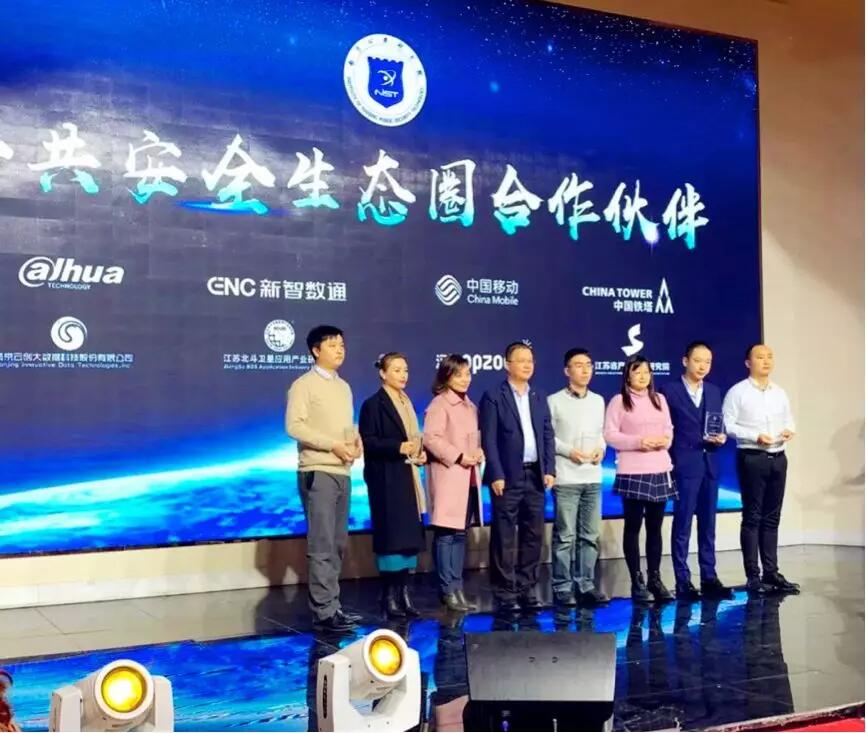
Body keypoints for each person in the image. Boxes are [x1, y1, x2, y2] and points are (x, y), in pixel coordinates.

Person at [285, 325, 363, 632]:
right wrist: (332, 446)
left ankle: (334, 606)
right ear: (316, 351)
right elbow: (294, 426)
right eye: (332, 345)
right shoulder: (303, 385)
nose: (340, 350)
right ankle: (323, 611)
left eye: (342, 344)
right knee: (322, 543)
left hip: (343, 470)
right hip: (317, 470)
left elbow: (346, 426)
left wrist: (355, 442)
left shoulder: (344, 387)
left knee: (338, 543)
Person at [480, 341, 556, 613]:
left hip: (535, 474)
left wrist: (549, 469)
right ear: (507, 364)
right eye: (521, 360)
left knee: (533, 534)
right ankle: (504, 590)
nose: (527, 365)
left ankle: (527, 588)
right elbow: (489, 438)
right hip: (507, 476)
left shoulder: (538, 395)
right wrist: (496, 473)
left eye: (530, 360)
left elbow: (547, 434)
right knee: (504, 535)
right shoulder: (494, 396)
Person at [722, 344, 799, 595]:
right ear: (748, 362)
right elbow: (728, 425)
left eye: (769, 357)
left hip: (778, 457)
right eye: (760, 357)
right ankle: (753, 576)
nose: (766, 361)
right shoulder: (738, 392)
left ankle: (771, 572)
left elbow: (789, 419)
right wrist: (755, 435)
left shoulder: (779, 392)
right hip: (752, 457)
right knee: (753, 516)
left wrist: (789, 430)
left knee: (772, 517)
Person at [659, 341, 733, 601]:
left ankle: (709, 577)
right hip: (684, 463)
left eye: (708, 362)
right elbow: (666, 428)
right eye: (698, 360)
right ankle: (683, 580)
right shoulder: (669, 391)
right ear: (685, 361)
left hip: (710, 462)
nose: (703, 366)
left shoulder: (713, 391)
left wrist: (721, 436)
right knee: (683, 523)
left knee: (708, 524)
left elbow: (717, 423)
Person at [359, 352, 428, 619]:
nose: (403, 375)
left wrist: (420, 453)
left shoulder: (407, 402)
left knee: (409, 539)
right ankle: (388, 596)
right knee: (391, 539)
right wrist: (398, 447)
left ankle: (404, 594)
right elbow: (369, 441)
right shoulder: (373, 405)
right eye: (397, 370)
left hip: (408, 476)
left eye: (405, 370)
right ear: (383, 373)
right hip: (386, 479)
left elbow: (414, 439)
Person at [604, 355, 677, 603]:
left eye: (647, 372)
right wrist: (638, 442)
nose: (643, 376)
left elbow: (668, 429)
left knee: (655, 527)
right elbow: (610, 435)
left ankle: (655, 578)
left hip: (659, 468)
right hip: (633, 470)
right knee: (633, 526)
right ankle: (637, 581)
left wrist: (665, 440)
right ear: (627, 375)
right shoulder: (619, 401)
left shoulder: (659, 399)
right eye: (637, 372)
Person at [547, 347, 609, 607]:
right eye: (579, 365)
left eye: (589, 365)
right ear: (567, 370)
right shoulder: (554, 401)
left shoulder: (598, 400)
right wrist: (568, 451)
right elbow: (548, 437)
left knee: (590, 535)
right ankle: (562, 586)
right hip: (566, 477)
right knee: (565, 536)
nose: (585, 370)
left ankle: (586, 584)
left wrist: (601, 450)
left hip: (592, 476)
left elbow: (602, 434)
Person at [424, 354, 485, 612]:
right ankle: (446, 589)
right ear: (446, 376)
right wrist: (459, 456)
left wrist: (478, 451)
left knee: (460, 535)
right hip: (449, 476)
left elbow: (474, 438)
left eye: (467, 374)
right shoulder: (439, 404)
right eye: (458, 374)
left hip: (468, 478)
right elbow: (431, 438)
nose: (465, 379)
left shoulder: (471, 407)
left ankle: (457, 587)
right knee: (446, 536)